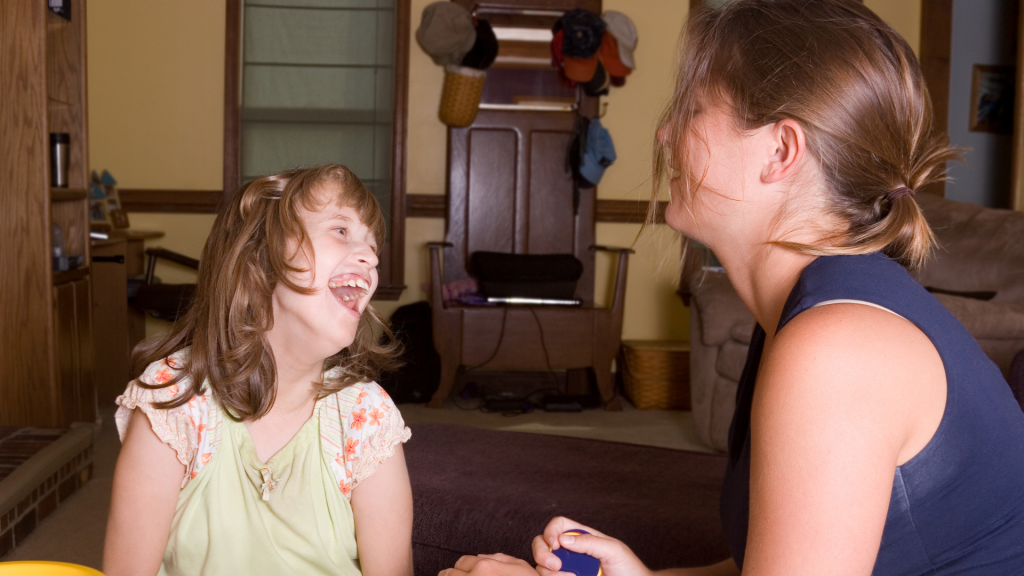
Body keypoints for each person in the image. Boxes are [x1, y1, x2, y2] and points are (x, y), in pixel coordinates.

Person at [441, 1, 1024, 575]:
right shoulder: (814, 318)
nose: (666, 133)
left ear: (781, 151)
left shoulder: (837, 350)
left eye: (693, 109)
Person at [103, 165, 413, 576]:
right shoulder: (174, 403)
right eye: (340, 230)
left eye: (373, 245)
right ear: (258, 262)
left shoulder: (366, 418)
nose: (370, 256)